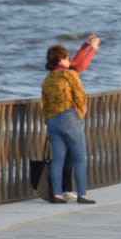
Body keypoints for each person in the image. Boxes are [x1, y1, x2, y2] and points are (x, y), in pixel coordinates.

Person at [41, 44, 94, 204]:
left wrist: (48, 125)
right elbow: (80, 95)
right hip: (69, 117)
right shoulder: (69, 75)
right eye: (67, 57)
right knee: (80, 158)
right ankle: (82, 194)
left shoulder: (48, 79)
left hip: (52, 120)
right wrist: (81, 113)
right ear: (63, 59)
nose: (69, 60)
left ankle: (57, 194)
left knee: (58, 160)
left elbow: (45, 103)